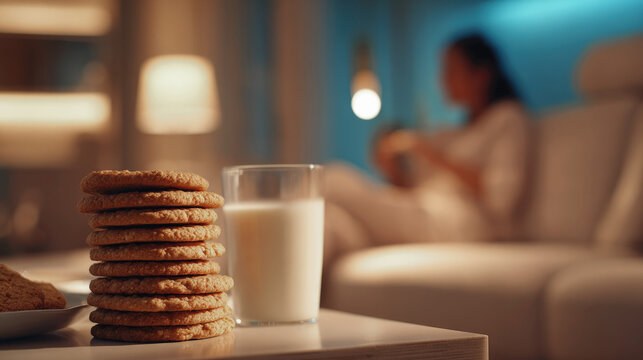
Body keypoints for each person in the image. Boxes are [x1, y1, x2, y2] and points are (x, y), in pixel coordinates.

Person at [324, 33, 530, 263]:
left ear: (481, 75)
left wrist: (432, 154)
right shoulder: (457, 131)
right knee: (332, 222)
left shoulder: (507, 119)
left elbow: (502, 197)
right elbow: (420, 190)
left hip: (460, 225)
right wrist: (394, 171)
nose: (442, 80)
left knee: (333, 180)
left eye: (451, 71)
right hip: (426, 211)